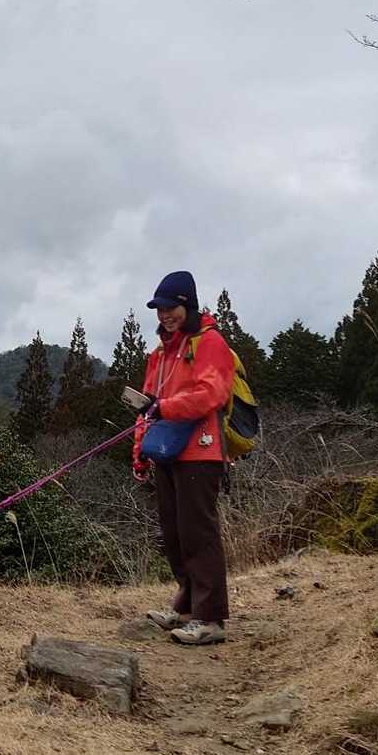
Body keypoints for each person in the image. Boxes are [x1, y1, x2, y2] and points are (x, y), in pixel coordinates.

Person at [129, 270, 235, 647]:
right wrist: (140, 450)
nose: (164, 315)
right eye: (159, 310)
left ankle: (211, 618)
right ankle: (188, 607)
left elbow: (212, 394)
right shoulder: (160, 354)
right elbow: (146, 406)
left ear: (187, 306)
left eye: (170, 308)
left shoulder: (210, 343)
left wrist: (166, 407)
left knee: (198, 532)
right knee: (173, 533)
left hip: (201, 450)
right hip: (166, 451)